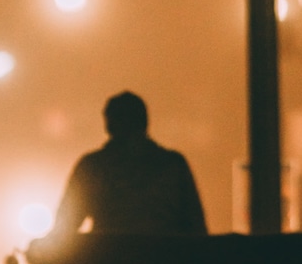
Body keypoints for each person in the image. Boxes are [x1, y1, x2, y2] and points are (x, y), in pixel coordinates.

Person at [51, 91, 207, 241]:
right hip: (164, 263)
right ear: (145, 123)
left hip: (107, 263)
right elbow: (197, 230)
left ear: (108, 125)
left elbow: (64, 228)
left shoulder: (92, 167)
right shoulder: (174, 164)